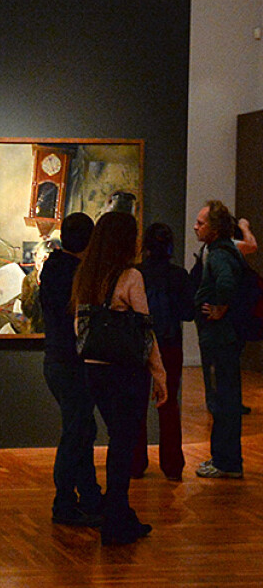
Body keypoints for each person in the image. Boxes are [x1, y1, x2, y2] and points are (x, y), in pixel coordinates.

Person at [71, 211, 167, 545]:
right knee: (124, 442)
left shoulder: (87, 274)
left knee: (117, 437)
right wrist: (160, 373)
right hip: (124, 370)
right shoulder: (130, 276)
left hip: (94, 368)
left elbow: (79, 328)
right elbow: (145, 331)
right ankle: (116, 518)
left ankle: (121, 513)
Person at [39, 213, 102, 527]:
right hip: (72, 361)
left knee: (81, 429)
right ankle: (65, 502)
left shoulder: (52, 267)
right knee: (77, 432)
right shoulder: (77, 273)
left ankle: (88, 495)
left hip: (56, 359)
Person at [132, 223, 194, 481]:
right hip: (169, 345)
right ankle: (172, 465)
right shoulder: (178, 275)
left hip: (139, 346)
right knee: (168, 405)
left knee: (136, 405)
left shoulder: (136, 273)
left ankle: (135, 464)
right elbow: (188, 314)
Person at [192, 201, 246, 478]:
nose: (195, 227)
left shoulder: (219, 254)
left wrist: (218, 309)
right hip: (221, 337)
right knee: (223, 398)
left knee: (221, 399)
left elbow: (226, 283)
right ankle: (224, 459)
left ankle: (226, 462)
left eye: (201, 223)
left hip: (218, 338)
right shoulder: (219, 249)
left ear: (214, 228)